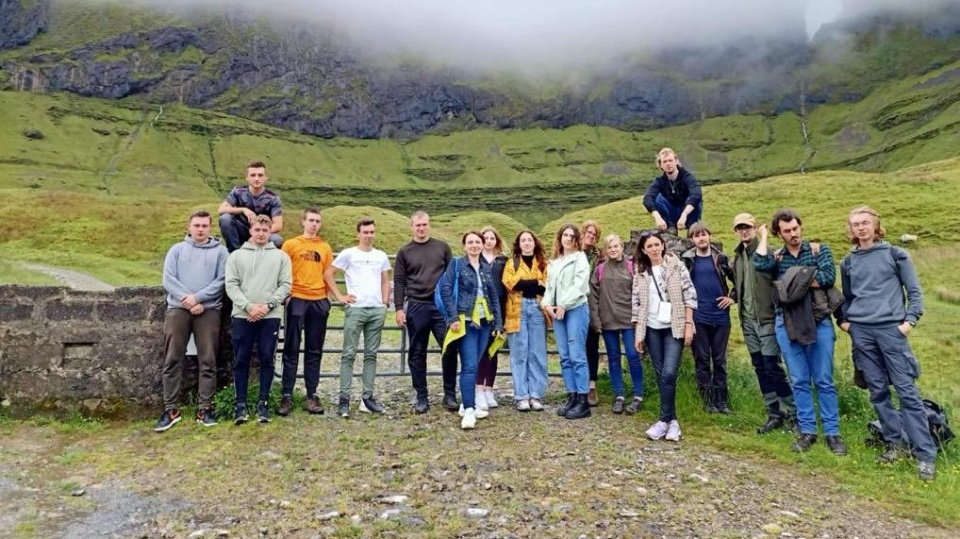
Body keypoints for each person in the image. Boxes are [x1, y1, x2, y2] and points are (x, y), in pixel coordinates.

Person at [838, 206, 936, 480]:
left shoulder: (895, 254)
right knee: (878, 392)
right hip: (862, 334)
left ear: (876, 226)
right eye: (855, 224)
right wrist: (847, 324)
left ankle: (925, 455)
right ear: (851, 230)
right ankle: (896, 445)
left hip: (892, 331)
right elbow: (848, 297)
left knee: (907, 393)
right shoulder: (848, 262)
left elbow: (914, 291)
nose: (860, 228)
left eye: (865, 223)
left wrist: (909, 322)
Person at [754, 209, 847, 455]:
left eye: (796, 228)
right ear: (779, 233)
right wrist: (762, 237)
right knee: (799, 379)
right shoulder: (776, 256)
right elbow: (759, 263)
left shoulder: (818, 249)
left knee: (824, 380)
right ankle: (807, 431)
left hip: (818, 320)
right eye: (787, 231)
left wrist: (790, 283)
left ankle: (833, 433)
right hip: (786, 322)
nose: (793, 234)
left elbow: (827, 276)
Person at [155, 210, 229, 432]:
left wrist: (198, 298)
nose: (200, 229)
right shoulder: (176, 250)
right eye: (196, 225)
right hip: (178, 308)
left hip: (208, 310)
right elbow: (168, 279)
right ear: (189, 227)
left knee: (208, 359)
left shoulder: (221, 252)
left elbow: (222, 280)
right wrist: (188, 300)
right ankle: (171, 409)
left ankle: (205, 407)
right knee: (172, 357)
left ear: (210, 228)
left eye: (204, 226)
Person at [730, 213, 797, 434]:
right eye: (739, 228)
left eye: (747, 227)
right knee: (759, 367)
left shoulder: (770, 251)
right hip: (747, 320)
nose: (744, 231)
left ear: (754, 228)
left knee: (772, 366)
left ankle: (793, 413)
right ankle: (773, 412)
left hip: (768, 319)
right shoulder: (737, 257)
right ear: (736, 231)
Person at [225, 215, 292, 425]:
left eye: (265, 230)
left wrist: (268, 306)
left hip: (269, 316)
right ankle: (240, 404)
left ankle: (263, 403)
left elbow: (285, 285)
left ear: (270, 231)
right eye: (257, 229)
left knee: (266, 358)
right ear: (251, 230)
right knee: (241, 358)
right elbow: (231, 285)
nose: (261, 234)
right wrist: (248, 307)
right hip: (242, 315)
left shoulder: (281, 258)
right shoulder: (236, 256)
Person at [632, 230, 697, 441]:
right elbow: (637, 305)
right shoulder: (640, 273)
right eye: (648, 246)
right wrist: (638, 334)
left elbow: (690, 294)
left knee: (669, 373)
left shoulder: (676, 266)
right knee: (661, 374)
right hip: (651, 328)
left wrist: (688, 324)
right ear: (643, 249)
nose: (653, 249)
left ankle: (663, 420)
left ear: (662, 245)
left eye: (656, 244)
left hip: (673, 327)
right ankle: (671, 422)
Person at [394, 210, 458, 414]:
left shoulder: (442, 247)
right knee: (417, 352)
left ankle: (449, 394)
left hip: (440, 307)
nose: (421, 228)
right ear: (412, 226)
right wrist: (398, 308)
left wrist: (452, 309)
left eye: (424, 224)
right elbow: (399, 282)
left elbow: (451, 279)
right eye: (417, 225)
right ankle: (421, 396)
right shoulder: (405, 252)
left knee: (449, 349)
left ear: (429, 225)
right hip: (416, 306)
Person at [439, 231, 504, 429]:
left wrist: (499, 324)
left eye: (478, 242)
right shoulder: (457, 264)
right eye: (470, 242)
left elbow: (493, 296)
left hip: (485, 321)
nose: (474, 245)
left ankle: (465, 403)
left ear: (483, 245)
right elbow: (446, 290)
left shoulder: (485, 267)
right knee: (469, 365)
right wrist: (452, 318)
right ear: (464, 245)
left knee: (475, 362)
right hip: (466, 321)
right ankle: (469, 409)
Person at [328, 218, 392, 418]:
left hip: (375, 309)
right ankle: (344, 399)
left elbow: (385, 280)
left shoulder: (381, 256)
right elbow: (329, 273)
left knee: (371, 354)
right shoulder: (349, 254)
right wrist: (340, 297)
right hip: (355, 308)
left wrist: (384, 303)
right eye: (365, 232)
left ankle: (367, 398)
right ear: (358, 234)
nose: (369, 235)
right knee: (349, 353)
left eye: (372, 232)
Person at [277, 208, 336, 417]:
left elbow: (328, 273)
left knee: (314, 349)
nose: (313, 224)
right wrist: (285, 294)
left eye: (317, 221)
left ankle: (312, 394)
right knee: (291, 347)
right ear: (303, 222)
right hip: (297, 298)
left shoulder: (325, 247)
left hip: (318, 301)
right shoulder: (291, 245)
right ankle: (286, 394)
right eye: (310, 220)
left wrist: (328, 298)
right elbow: (281, 269)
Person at [681, 222, 735, 413]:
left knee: (719, 360)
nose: (701, 238)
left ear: (709, 235)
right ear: (692, 239)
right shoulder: (687, 260)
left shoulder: (721, 259)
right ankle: (708, 401)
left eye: (704, 234)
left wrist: (732, 298)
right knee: (702, 359)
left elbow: (738, 280)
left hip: (721, 317)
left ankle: (723, 401)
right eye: (696, 235)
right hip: (698, 317)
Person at [590, 234, 644, 415]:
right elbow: (594, 298)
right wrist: (596, 321)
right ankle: (619, 395)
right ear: (605, 250)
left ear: (622, 247)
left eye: (616, 246)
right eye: (609, 247)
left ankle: (638, 395)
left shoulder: (632, 267)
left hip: (629, 320)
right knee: (613, 358)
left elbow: (639, 294)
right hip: (607, 321)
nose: (613, 249)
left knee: (633, 355)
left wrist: (638, 319)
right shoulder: (600, 270)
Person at [542, 224, 592, 420]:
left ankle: (583, 400)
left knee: (577, 354)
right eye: (565, 234)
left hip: (576, 309)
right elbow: (549, 288)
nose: (568, 238)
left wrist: (563, 303)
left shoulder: (580, 258)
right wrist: (547, 305)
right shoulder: (554, 263)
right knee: (564, 356)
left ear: (577, 239)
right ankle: (571, 396)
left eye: (572, 235)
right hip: (558, 312)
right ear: (560, 237)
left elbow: (580, 285)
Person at [502, 230, 550, 412]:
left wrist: (524, 282)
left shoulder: (543, 263)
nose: (527, 243)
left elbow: (546, 286)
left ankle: (536, 395)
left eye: (529, 240)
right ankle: (521, 396)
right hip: (516, 310)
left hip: (538, 309)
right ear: (519, 244)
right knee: (519, 353)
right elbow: (509, 283)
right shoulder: (511, 262)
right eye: (523, 240)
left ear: (534, 243)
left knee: (537, 352)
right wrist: (534, 283)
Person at [217, 161, 283, 252]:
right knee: (225, 219)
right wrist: (243, 209)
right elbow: (222, 209)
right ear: (247, 177)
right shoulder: (238, 191)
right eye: (253, 175)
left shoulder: (273, 198)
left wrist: (256, 234)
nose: (256, 178)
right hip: (240, 230)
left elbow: (278, 225)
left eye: (260, 175)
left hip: (261, 231)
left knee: (276, 240)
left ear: (265, 177)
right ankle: (234, 253)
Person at [476, 226, 508, 410]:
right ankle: (479, 388)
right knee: (481, 349)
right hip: (480, 310)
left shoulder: (503, 261)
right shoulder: (476, 260)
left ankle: (489, 389)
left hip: (499, 309)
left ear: (497, 240)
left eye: (491, 238)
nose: (489, 241)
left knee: (493, 349)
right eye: (485, 238)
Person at [642, 148, 703, 232]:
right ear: (660, 165)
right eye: (665, 161)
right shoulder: (660, 181)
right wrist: (657, 217)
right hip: (672, 213)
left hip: (689, 213)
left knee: (696, 200)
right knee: (657, 198)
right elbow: (647, 198)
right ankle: (670, 229)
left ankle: (692, 229)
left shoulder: (687, 177)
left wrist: (684, 214)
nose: (668, 164)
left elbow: (696, 194)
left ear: (676, 161)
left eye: (670, 160)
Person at [580, 220, 603, 406]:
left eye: (595, 234)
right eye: (589, 232)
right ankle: (576, 386)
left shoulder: (599, 257)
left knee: (591, 346)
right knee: (575, 347)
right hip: (573, 305)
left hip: (593, 304)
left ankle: (591, 386)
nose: (591, 236)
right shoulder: (571, 253)